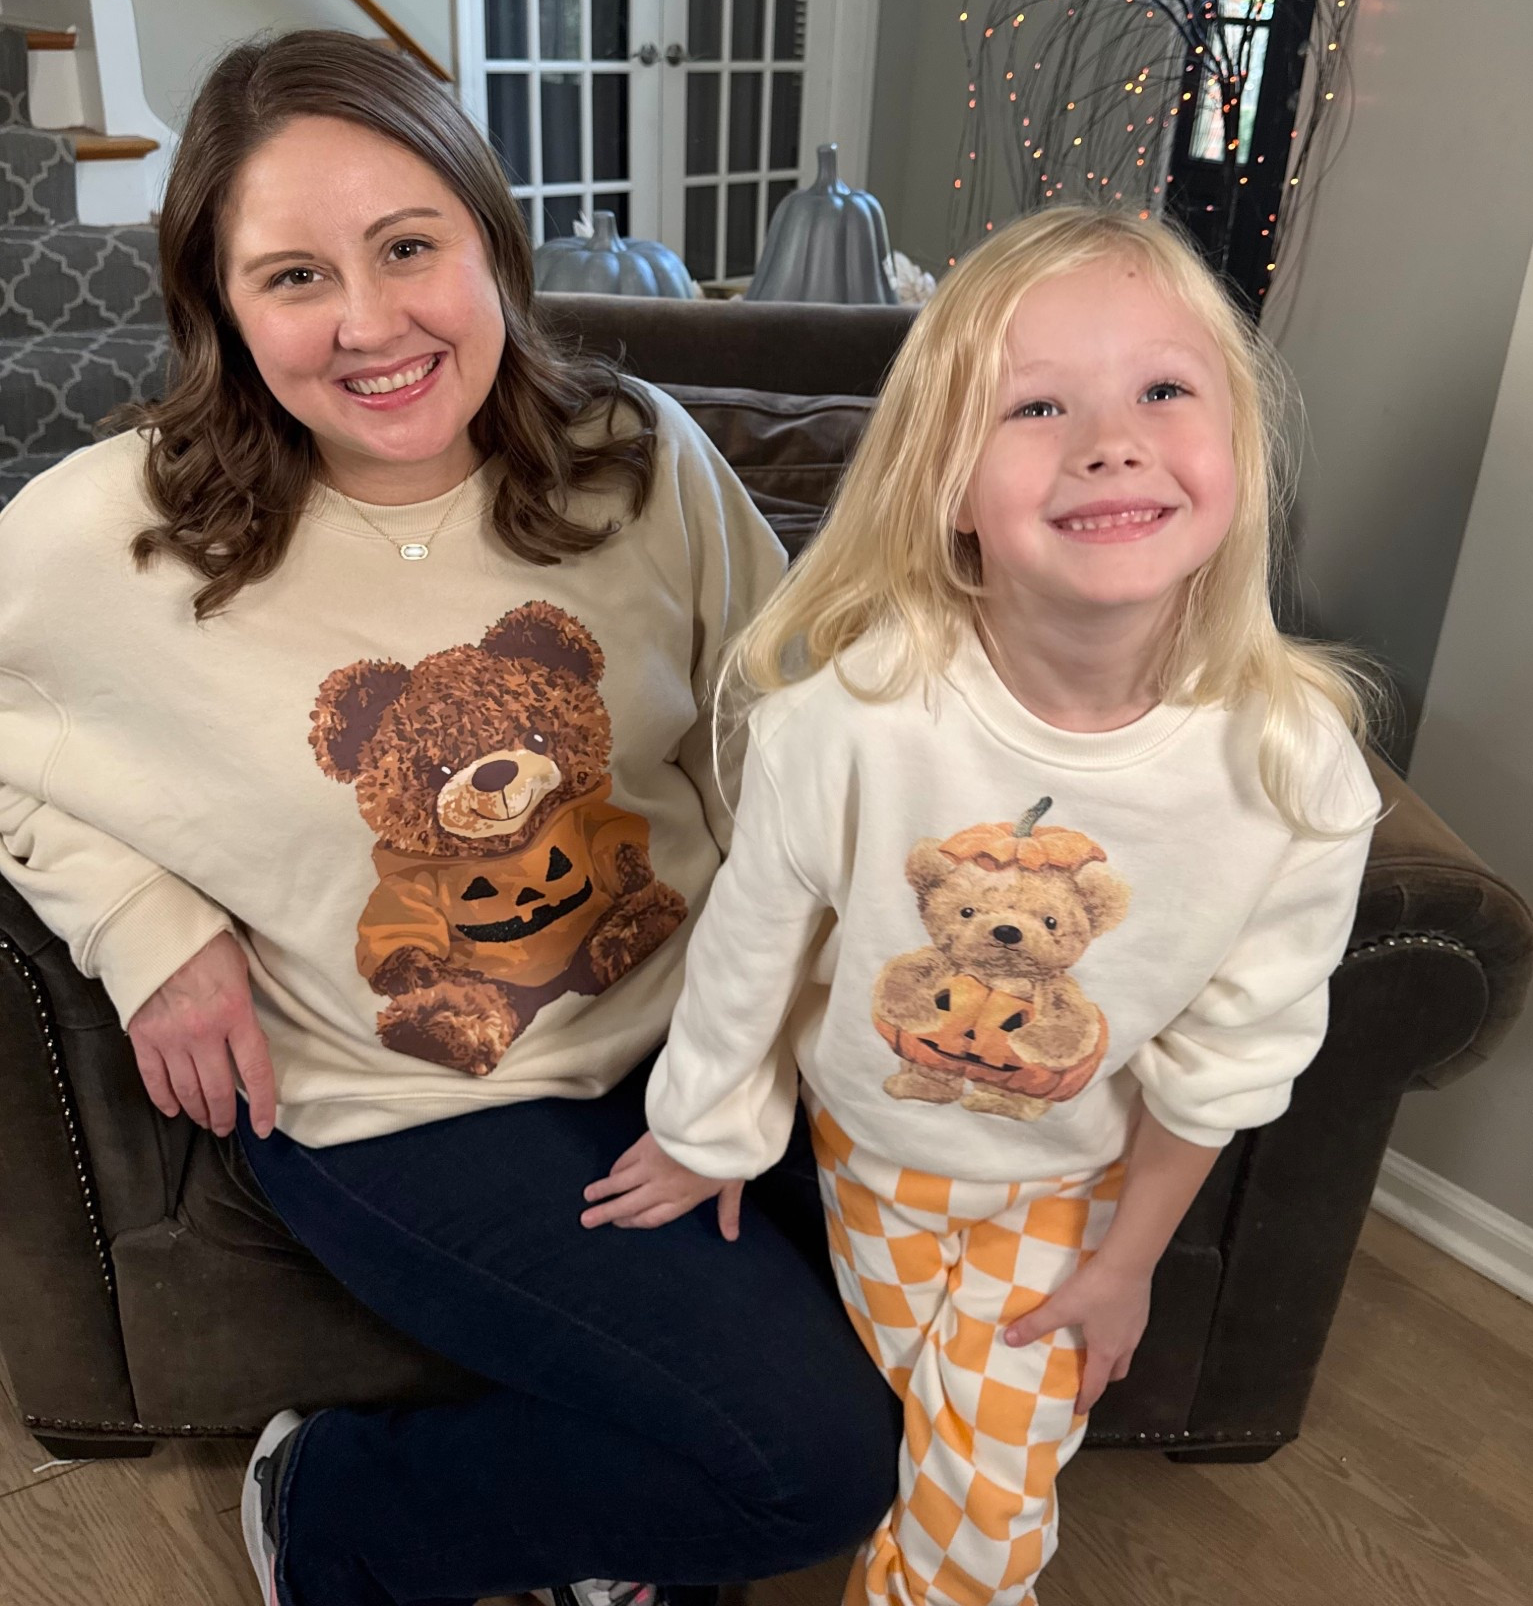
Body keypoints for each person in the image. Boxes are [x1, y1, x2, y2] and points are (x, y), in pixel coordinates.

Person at [0, 30, 902, 1606]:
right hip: (407, 1106)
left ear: (489, 241)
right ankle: (333, 1506)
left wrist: (784, 1036)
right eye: (291, 276)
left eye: (409, 247)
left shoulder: (637, 458)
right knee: (819, 1461)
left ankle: (608, 1544)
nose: (368, 323)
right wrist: (145, 921)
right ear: (219, 305)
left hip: (708, 1023)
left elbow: (790, 732)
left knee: (938, 1336)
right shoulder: (107, 532)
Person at [583, 208, 1380, 1606]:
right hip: (871, 1162)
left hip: (1074, 1186)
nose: (1109, 440)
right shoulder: (851, 722)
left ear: (1234, 454)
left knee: (988, 1496)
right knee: (959, 1449)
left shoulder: (1293, 771)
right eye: (1037, 406)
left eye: (1164, 390)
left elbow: (1232, 1064)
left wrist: (1129, 1263)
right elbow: (755, 941)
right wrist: (703, 1134)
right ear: (948, 483)